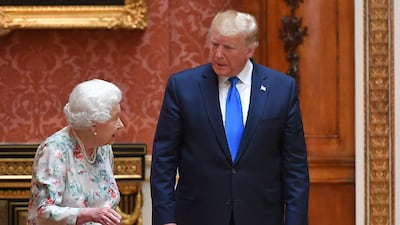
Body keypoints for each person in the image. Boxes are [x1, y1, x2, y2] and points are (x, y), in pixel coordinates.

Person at [150, 9, 309, 225]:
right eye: (214, 44)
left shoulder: (281, 89)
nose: (218, 54)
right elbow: (164, 160)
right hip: (197, 215)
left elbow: (295, 166)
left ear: (250, 49)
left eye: (228, 48)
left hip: (261, 215)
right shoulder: (183, 87)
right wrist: (165, 219)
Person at [27, 79, 125, 225]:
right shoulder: (55, 150)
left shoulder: (103, 148)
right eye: (115, 118)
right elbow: (43, 212)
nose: (121, 125)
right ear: (94, 125)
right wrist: (88, 214)